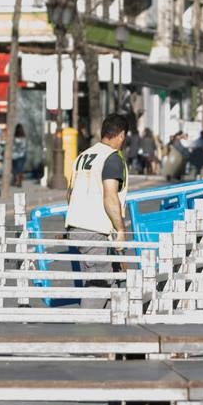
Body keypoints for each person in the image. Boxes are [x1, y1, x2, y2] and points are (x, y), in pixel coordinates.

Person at [65, 114, 128, 309]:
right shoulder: (111, 158)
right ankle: (85, 331)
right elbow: (110, 195)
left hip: (76, 225)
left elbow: (70, 192)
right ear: (121, 135)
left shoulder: (83, 156)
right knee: (98, 283)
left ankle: (107, 330)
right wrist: (120, 229)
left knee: (111, 277)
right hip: (95, 228)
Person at [11, 123, 28, 188]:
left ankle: (17, 181)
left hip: (14, 155)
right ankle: (19, 182)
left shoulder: (14, 137)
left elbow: (12, 147)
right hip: (22, 155)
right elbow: (24, 147)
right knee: (20, 169)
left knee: (15, 169)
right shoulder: (24, 137)